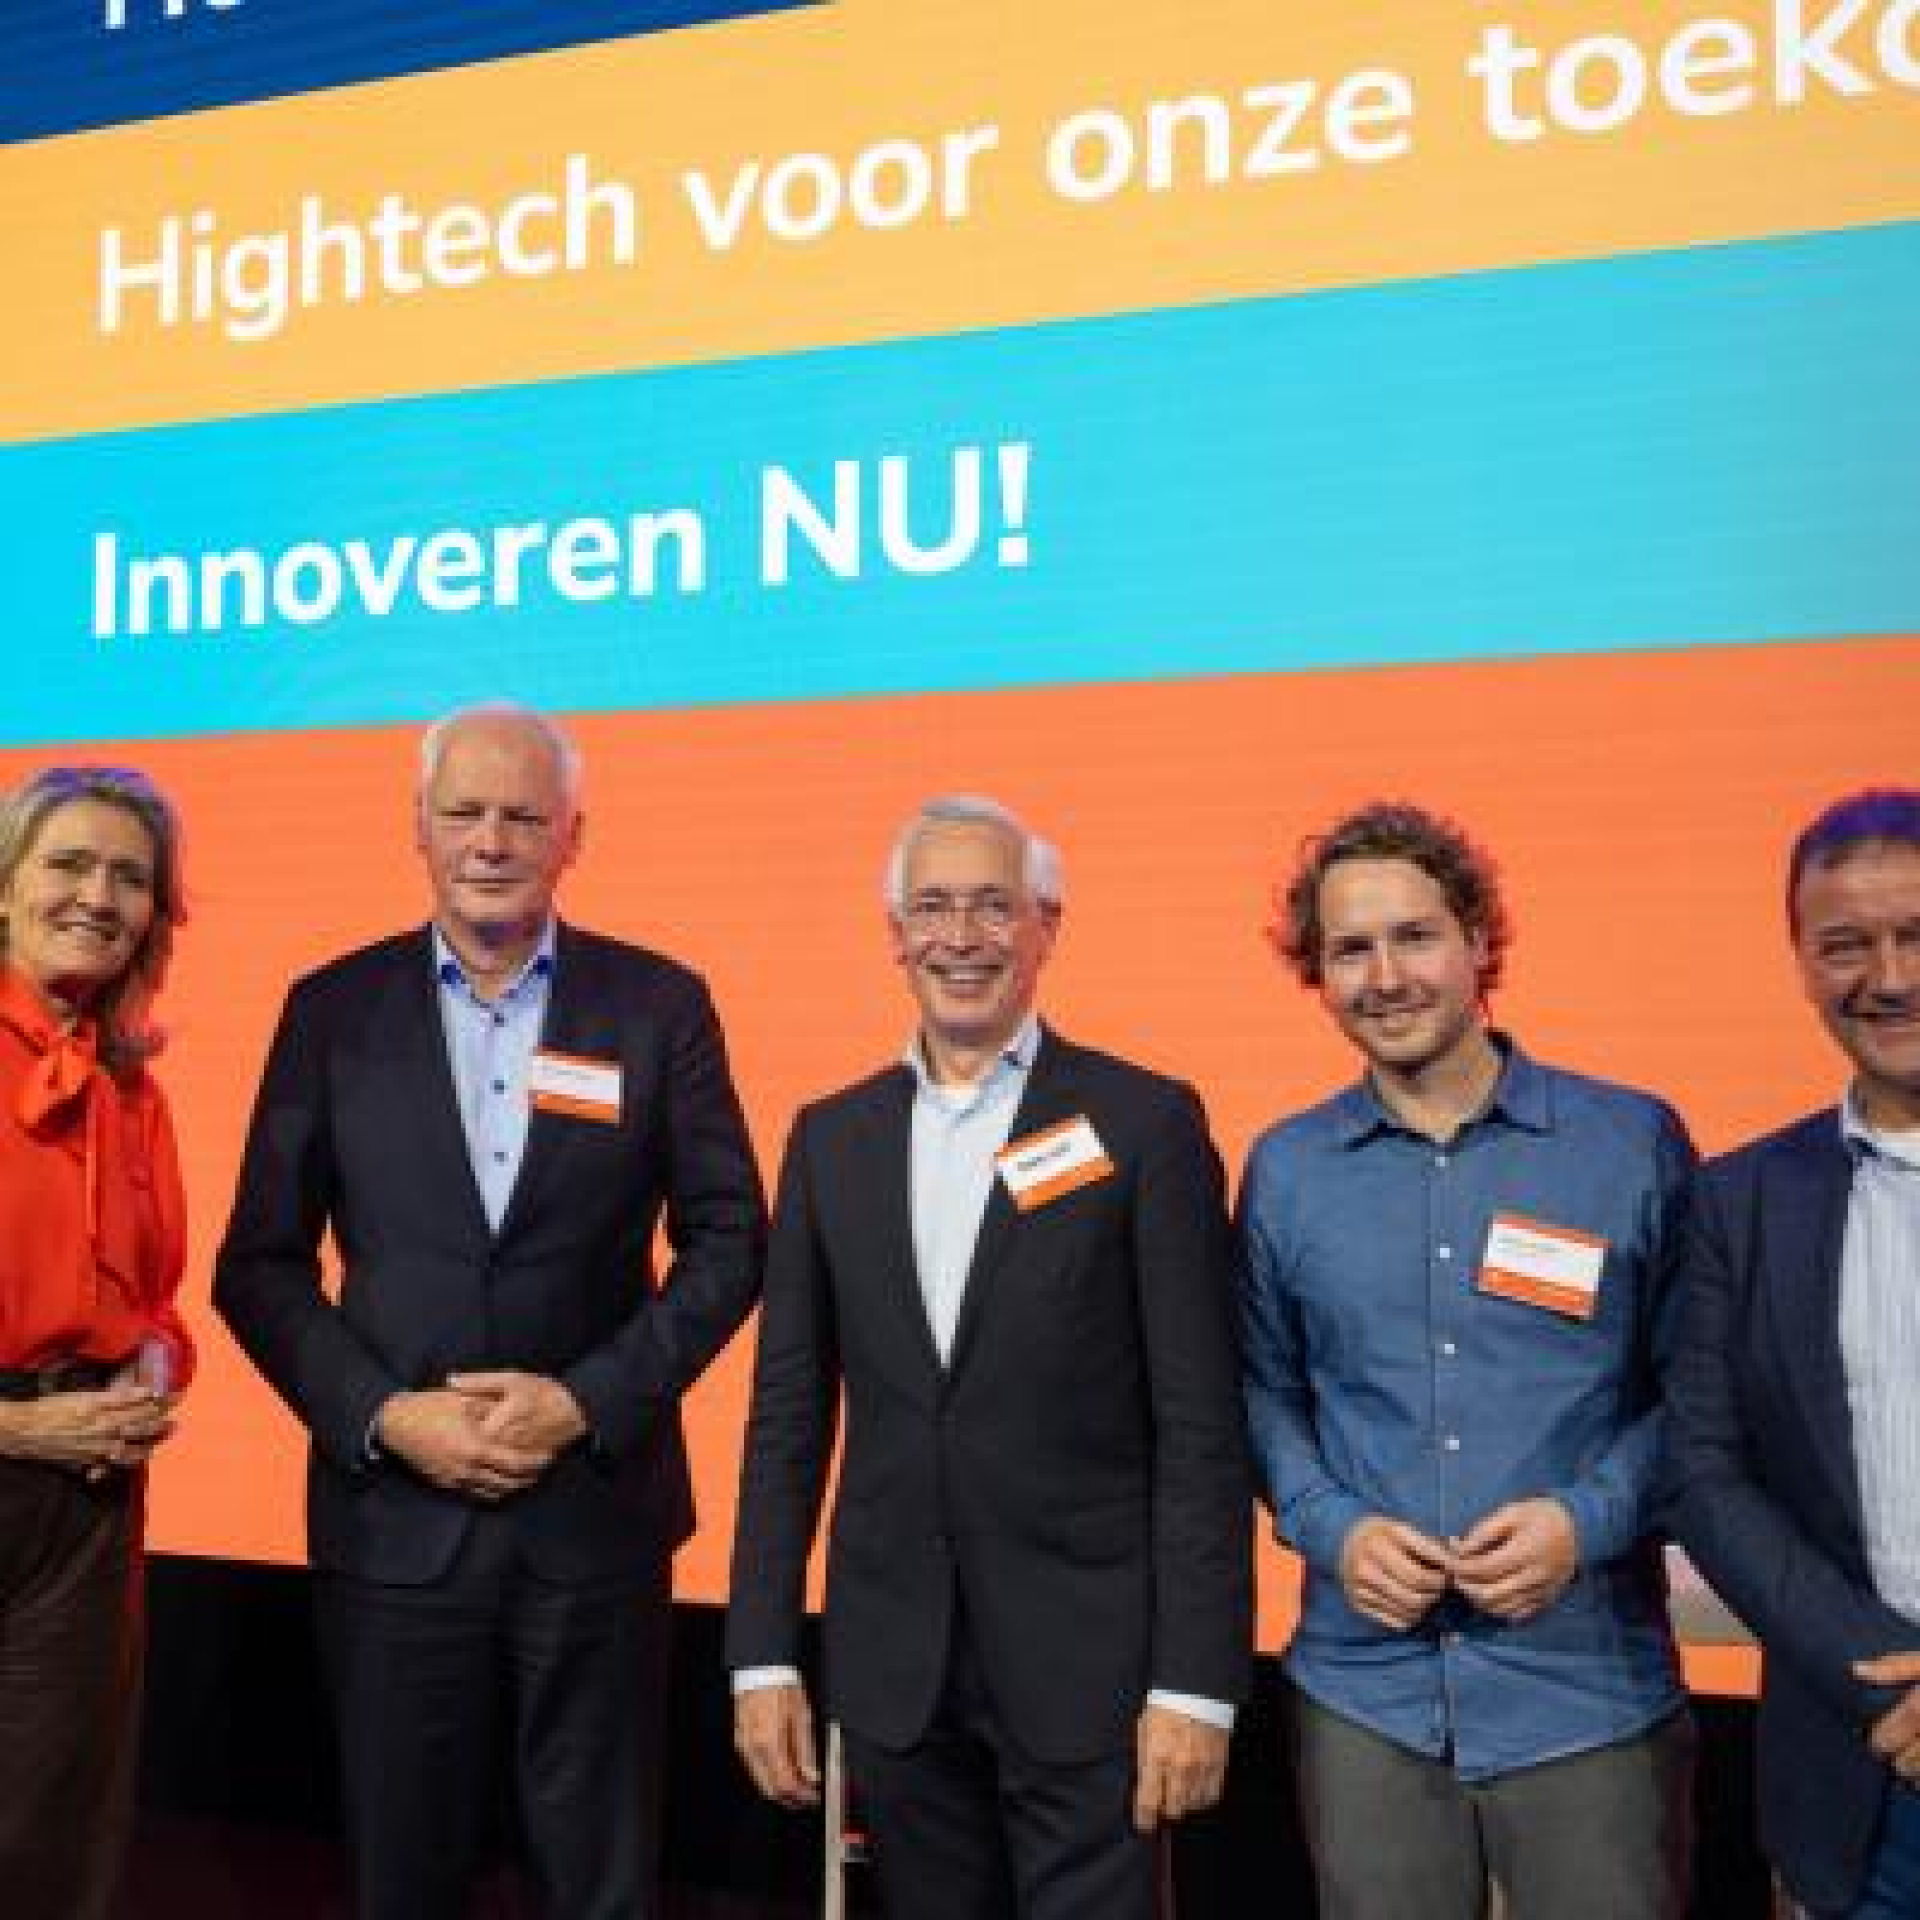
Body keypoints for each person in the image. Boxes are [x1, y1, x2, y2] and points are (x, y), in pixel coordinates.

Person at [214, 702, 765, 1919]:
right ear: (417, 827)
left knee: (602, 1887)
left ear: (575, 836)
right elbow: (257, 1264)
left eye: (523, 815)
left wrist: (586, 1402)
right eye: (462, 811)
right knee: (401, 1881)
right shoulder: (330, 1010)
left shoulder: (659, 1004)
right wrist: (383, 1415)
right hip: (393, 1531)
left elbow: (733, 1241)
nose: (491, 840)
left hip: (595, 1522)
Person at [726, 794, 1251, 1920]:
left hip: (1093, 1674)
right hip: (894, 1675)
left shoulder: (1144, 1122)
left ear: (1046, 926)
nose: (960, 937)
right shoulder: (830, 1136)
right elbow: (787, 1419)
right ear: (895, 935)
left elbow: (1202, 1427)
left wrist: (1199, 1681)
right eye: (932, 908)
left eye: (992, 906)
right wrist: (761, 1655)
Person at [1237, 800, 1695, 1920]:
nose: (1386, 976)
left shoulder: (1629, 1142)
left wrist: (1582, 1522)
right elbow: (1262, 1390)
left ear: (1480, 940)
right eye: (1351, 949)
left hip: (1587, 1690)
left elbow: (1701, 1397)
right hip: (1366, 1695)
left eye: (1415, 936)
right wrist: (1332, 1528)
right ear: (1316, 972)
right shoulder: (1288, 1168)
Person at [1664, 788, 1920, 1918]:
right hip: (1858, 1764)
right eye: (1846, 945)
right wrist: (1880, 1677)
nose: (1890, 977)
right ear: (1803, 964)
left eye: (1916, 934)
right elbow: (1703, 1473)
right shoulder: (1742, 1199)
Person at [0, 765, 195, 1920]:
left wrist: (152, 1367)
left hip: (86, 1503)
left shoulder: (133, 1087)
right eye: (69, 864)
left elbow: (157, 1299)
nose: (100, 896)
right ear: (5, 886)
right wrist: (20, 1427)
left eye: (130, 877)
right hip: (20, 1442)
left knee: (53, 1843)